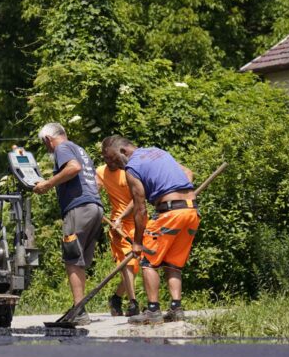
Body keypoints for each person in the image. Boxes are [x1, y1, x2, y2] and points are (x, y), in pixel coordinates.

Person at [104, 135, 199, 325]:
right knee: (173, 264)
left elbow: (140, 209)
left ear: (123, 151)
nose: (115, 165)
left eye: (113, 159)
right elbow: (188, 173)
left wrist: (138, 242)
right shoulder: (158, 151)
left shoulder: (132, 167)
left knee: (148, 262)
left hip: (169, 214)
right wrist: (179, 197)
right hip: (191, 212)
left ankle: (153, 310)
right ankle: (176, 309)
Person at [33, 123, 103, 326]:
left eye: (44, 144)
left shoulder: (62, 148)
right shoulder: (79, 149)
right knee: (79, 261)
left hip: (78, 209)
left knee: (72, 258)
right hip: (95, 208)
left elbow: (74, 168)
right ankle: (80, 307)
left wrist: (47, 183)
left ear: (48, 139)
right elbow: (97, 182)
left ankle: (79, 310)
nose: (47, 148)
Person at [96, 148, 140, 318]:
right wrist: (95, 208)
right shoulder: (100, 172)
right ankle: (133, 304)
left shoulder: (129, 171)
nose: (110, 162)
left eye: (113, 159)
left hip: (137, 220)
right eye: (106, 158)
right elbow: (94, 192)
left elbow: (136, 199)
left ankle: (116, 298)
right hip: (117, 226)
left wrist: (122, 216)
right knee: (128, 263)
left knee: (137, 265)